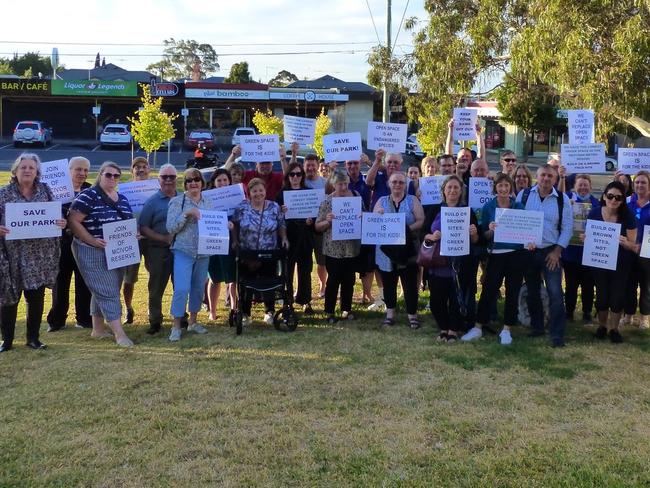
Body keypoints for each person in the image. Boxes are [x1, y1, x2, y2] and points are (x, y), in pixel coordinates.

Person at [0, 153, 65, 352]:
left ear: (37, 172)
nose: (27, 170)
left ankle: (33, 338)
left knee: (36, 297)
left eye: (31, 168)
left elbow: (56, 214)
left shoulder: (45, 190)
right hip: (11, 254)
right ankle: (7, 340)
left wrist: (61, 221)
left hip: (39, 255)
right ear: (15, 171)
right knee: (8, 297)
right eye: (23, 167)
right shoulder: (4, 193)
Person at [68, 161, 135, 348]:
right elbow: (73, 221)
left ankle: (97, 329)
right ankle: (119, 334)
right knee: (108, 290)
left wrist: (132, 234)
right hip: (91, 250)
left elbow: (127, 223)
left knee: (106, 287)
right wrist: (92, 240)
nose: (112, 178)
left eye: (116, 175)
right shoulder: (88, 195)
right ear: (100, 175)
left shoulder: (122, 198)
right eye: (108, 174)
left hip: (118, 252)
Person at [462, 173, 527, 345]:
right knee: (488, 290)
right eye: (500, 186)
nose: (504, 189)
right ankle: (477, 327)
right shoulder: (489, 207)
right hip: (496, 254)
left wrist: (530, 241)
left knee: (512, 291)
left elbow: (525, 232)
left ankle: (507, 329)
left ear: (510, 188)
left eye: (507, 185)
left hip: (516, 255)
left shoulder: (519, 207)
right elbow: (483, 236)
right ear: (495, 188)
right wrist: (491, 229)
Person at [516, 164, 573, 347]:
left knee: (555, 293)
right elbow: (516, 222)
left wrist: (557, 251)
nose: (546, 179)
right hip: (529, 251)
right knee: (532, 291)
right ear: (537, 177)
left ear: (555, 179)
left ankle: (557, 334)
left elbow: (567, 229)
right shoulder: (524, 195)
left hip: (551, 252)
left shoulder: (562, 200)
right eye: (543, 175)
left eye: (550, 176)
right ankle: (537, 327)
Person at [423, 175, 479, 342]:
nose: (453, 190)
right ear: (444, 191)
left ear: (461, 191)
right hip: (438, 264)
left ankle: (453, 330)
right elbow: (422, 234)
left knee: (457, 300)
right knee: (436, 301)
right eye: (449, 187)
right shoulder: (434, 210)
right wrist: (432, 236)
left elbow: (477, 240)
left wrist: (474, 233)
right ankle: (443, 327)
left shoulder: (468, 212)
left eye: (456, 187)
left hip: (460, 265)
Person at [166, 169, 215, 342]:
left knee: (197, 288)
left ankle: (193, 321)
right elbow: (171, 228)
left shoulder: (209, 202)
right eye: (189, 181)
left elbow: (215, 223)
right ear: (185, 184)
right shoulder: (177, 201)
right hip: (183, 251)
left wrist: (227, 225)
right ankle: (176, 325)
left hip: (203, 252)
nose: (193, 183)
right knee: (181, 288)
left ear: (202, 182)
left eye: (196, 180)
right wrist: (186, 214)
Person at [232, 178, 288, 326]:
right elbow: (235, 225)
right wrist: (235, 240)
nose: (258, 193)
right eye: (254, 191)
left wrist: (284, 238)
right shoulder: (242, 207)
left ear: (265, 191)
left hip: (269, 252)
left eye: (260, 190)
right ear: (249, 192)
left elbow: (281, 224)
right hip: (247, 253)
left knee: (268, 282)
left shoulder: (274, 207)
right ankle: (245, 313)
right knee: (246, 285)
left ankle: (269, 311)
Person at [586, 181, 637, 343]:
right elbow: (589, 238)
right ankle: (602, 326)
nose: (614, 200)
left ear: (623, 200)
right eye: (610, 196)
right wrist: (585, 238)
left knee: (616, 297)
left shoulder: (628, 217)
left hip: (620, 264)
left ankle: (614, 329)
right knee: (601, 296)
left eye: (618, 197)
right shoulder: (594, 214)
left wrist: (625, 242)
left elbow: (633, 245)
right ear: (604, 196)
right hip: (599, 262)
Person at [46, 156, 92, 332]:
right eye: (78, 169)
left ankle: (84, 318)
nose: (82, 173)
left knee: (83, 282)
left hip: (83, 244)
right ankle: (56, 320)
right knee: (60, 283)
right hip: (61, 244)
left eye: (85, 170)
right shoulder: (54, 191)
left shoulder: (90, 191)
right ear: (69, 170)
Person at [374, 172, 425, 328]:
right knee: (389, 282)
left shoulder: (412, 200)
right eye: (394, 182)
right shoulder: (382, 201)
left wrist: (405, 229)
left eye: (401, 182)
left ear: (405, 184)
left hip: (408, 248)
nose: (397, 185)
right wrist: (378, 215)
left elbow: (421, 220)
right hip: (386, 251)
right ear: (389, 184)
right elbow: (373, 221)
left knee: (409, 283)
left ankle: (412, 315)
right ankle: (390, 314)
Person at [138, 164, 180, 335]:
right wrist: (162, 238)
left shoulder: (183, 198)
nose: (168, 180)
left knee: (181, 286)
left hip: (180, 251)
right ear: (159, 180)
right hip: (157, 250)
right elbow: (143, 227)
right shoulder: (152, 202)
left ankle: (181, 317)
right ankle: (155, 321)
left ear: (177, 179)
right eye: (165, 177)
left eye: (172, 177)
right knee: (156, 287)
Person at [315, 171, 362, 323]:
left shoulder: (356, 199)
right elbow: (317, 226)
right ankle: (329, 311)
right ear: (333, 184)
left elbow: (366, 218)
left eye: (345, 184)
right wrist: (327, 221)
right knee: (333, 280)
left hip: (351, 248)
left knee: (349, 280)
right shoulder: (327, 202)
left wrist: (362, 216)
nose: (343, 187)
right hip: (333, 249)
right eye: (340, 184)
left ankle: (346, 310)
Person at [276, 163, 316, 314]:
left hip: (305, 237)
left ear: (302, 176)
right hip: (288, 237)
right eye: (292, 174)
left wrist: (311, 221)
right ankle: (287, 301)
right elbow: (275, 217)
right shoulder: (281, 194)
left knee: (305, 270)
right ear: (287, 176)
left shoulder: (309, 192)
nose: (295, 177)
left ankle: (305, 301)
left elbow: (315, 216)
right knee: (287, 271)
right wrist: (281, 211)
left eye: (298, 174)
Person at [562, 174, 600, 323]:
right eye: (580, 185)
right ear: (574, 187)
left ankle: (586, 312)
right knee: (571, 284)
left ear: (590, 186)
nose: (583, 188)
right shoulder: (568, 202)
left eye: (586, 185)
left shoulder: (597, 204)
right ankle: (569, 311)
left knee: (588, 285)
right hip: (571, 252)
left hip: (589, 252)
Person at [205, 169, 237, 321]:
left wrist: (233, 225)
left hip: (231, 241)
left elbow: (241, 217)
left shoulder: (236, 197)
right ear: (214, 183)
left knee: (232, 277)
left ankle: (234, 309)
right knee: (214, 278)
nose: (222, 183)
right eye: (219, 181)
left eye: (225, 180)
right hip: (213, 242)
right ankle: (212, 311)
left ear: (230, 181)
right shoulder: (207, 199)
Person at [122, 156, 151, 325]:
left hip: (151, 237)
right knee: (129, 277)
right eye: (136, 166)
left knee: (153, 274)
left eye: (144, 166)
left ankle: (152, 307)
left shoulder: (156, 189)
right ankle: (128, 309)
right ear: (131, 170)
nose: (140, 169)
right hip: (130, 238)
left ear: (149, 169)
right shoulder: (124, 191)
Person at [622, 170, 650, 328]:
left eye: (643, 182)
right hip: (628, 249)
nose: (640, 185)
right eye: (637, 182)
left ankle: (645, 317)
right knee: (629, 284)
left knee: (646, 285)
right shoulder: (626, 201)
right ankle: (629, 315)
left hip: (647, 251)